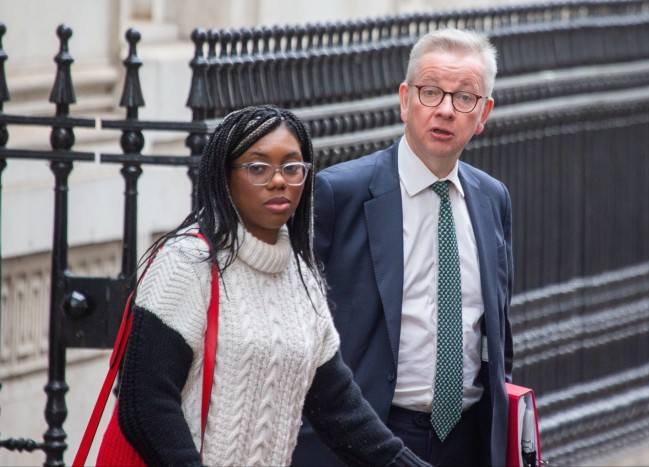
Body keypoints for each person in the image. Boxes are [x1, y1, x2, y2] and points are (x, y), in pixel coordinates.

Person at [98, 105, 429, 466]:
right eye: (257, 167)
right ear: (224, 177)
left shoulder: (301, 279)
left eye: (292, 167)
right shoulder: (186, 263)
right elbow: (145, 404)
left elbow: (341, 412)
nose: (278, 180)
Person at [293, 28, 513, 466]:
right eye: (430, 92)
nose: (445, 110)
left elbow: (497, 331)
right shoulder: (340, 193)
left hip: (469, 440)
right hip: (371, 436)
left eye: (464, 97)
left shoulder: (492, 198)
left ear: (483, 112)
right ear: (405, 99)